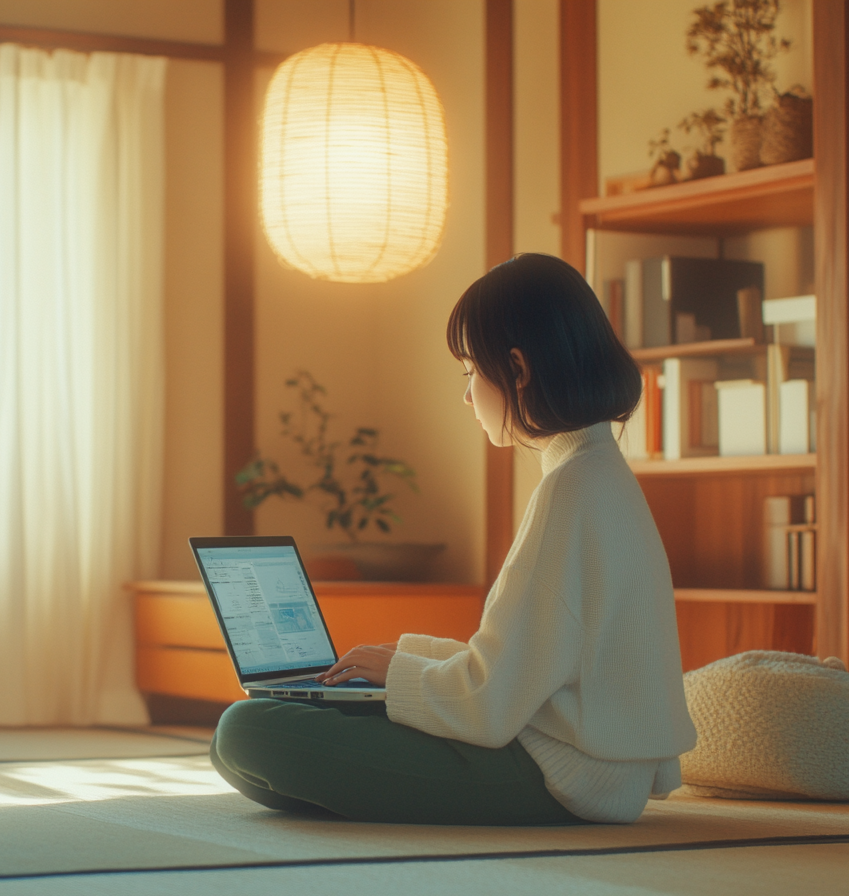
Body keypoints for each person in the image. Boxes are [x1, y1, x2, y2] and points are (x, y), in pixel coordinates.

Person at [209, 253, 698, 825]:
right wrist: (406, 656)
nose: (467, 396)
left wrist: (394, 674)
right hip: (588, 766)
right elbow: (531, 668)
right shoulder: (599, 475)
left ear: (517, 370)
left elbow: (488, 705)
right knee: (261, 734)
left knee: (245, 730)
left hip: (553, 775)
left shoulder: (570, 491)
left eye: (470, 371)